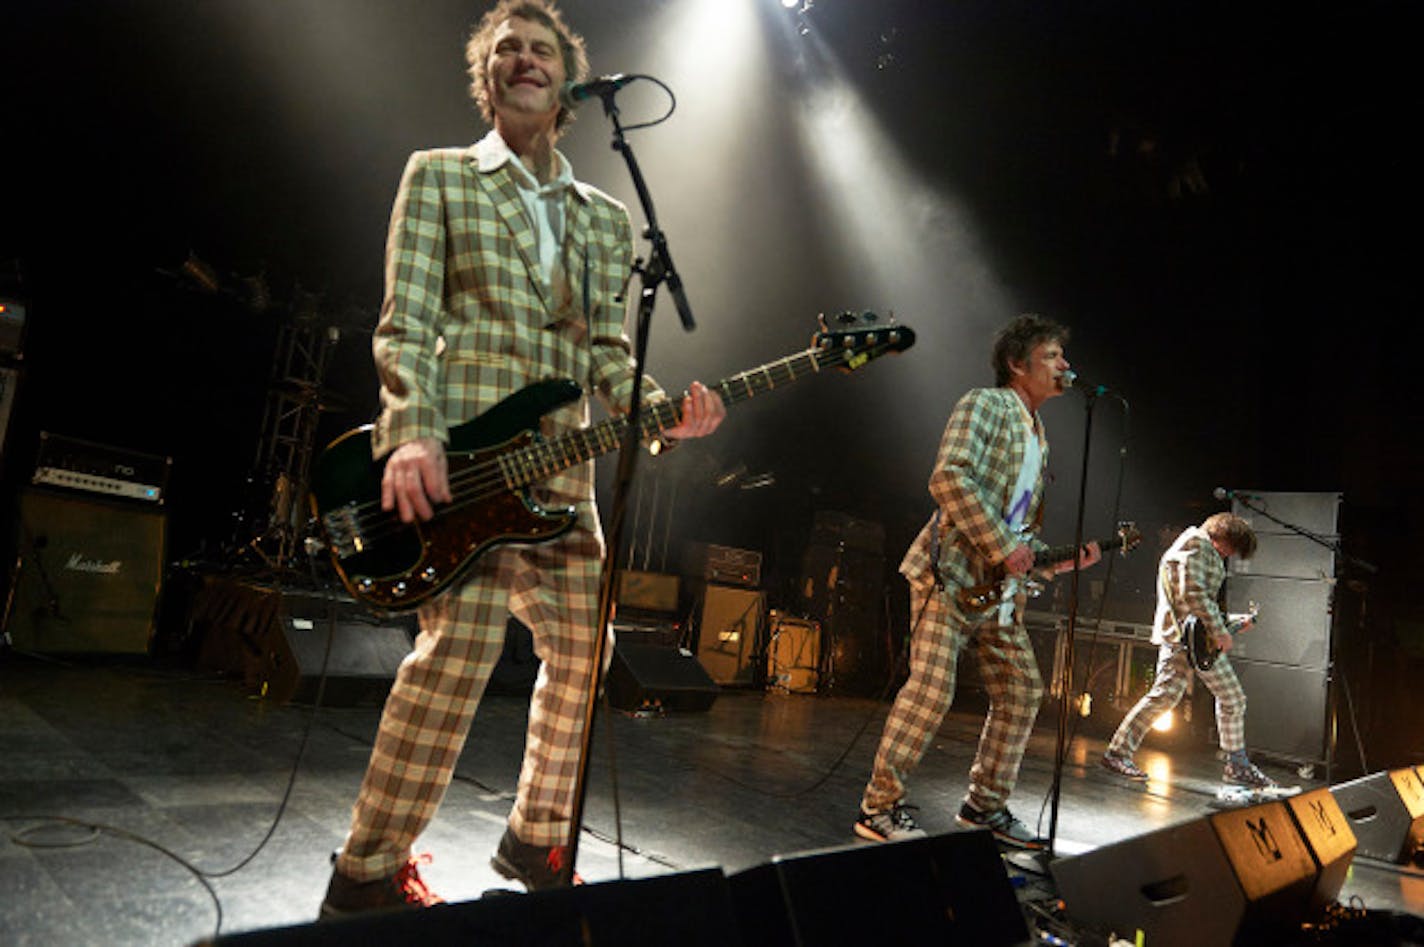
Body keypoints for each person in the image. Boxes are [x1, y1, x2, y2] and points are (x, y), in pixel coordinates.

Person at [319, 0, 725, 917]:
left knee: (585, 653)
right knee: (456, 653)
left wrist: (664, 416)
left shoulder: (604, 216)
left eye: (542, 48)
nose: (525, 59)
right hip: (460, 461)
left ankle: (536, 836)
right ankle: (367, 868)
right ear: (488, 74)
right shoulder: (440, 177)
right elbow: (408, 318)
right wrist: (412, 427)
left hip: (560, 475)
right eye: (508, 49)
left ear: (569, 78)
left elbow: (605, 359)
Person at [854, 313, 1102, 850]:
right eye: (1053, 355)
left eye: (1064, 356)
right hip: (949, 576)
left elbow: (1017, 531)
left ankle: (984, 806)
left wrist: (1055, 559)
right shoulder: (985, 404)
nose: (1065, 365)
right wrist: (1002, 544)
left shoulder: (1040, 436)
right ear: (1017, 363)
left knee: (1022, 692)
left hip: (996, 594)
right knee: (931, 693)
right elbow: (948, 477)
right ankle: (878, 808)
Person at [1100, 513, 1278, 788]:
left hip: (1193, 641)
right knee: (1171, 697)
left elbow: (1199, 602)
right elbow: (1192, 594)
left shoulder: (1201, 548)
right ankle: (1117, 753)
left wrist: (1232, 622)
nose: (1230, 554)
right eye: (1232, 547)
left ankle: (1237, 764)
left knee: (1228, 698)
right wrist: (1219, 630)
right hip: (1182, 640)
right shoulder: (1195, 544)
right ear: (1224, 536)